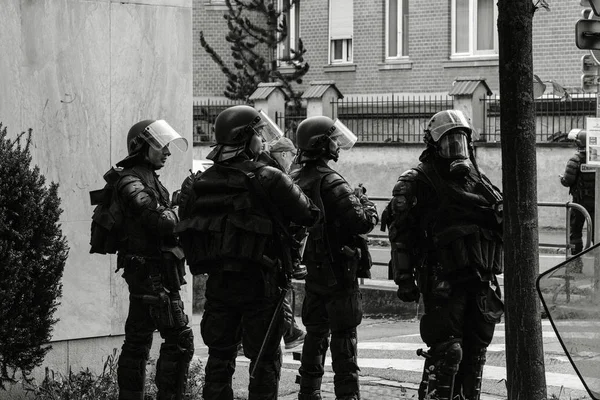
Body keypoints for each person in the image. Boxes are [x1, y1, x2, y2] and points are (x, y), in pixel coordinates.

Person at [175, 105, 319, 400]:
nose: (262, 141)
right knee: (264, 360)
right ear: (246, 138)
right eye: (257, 134)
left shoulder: (199, 182)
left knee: (219, 358)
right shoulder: (268, 177)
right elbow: (309, 214)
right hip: (261, 284)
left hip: (218, 284)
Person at [382, 109, 504, 400]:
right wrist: (404, 279)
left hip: (480, 277)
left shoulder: (479, 182)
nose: (456, 148)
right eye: (449, 142)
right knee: (448, 350)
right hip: (442, 279)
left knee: (476, 349)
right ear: (433, 145)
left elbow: (501, 219)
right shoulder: (418, 181)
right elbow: (400, 233)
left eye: (460, 140)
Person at [291, 116, 379, 400]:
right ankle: (348, 395)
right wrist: (365, 201)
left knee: (315, 335)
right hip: (340, 272)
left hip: (314, 273)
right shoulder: (330, 179)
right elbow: (362, 222)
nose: (337, 144)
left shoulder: (295, 178)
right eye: (332, 139)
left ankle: (309, 392)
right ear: (320, 144)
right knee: (344, 340)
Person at [113, 119, 193, 400]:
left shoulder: (147, 177)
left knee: (138, 341)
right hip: (150, 276)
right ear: (141, 147)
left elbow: (162, 213)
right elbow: (161, 221)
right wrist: (183, 207)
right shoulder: (130, 181)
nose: (167, 152)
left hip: (154, 273)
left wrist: (179, 200)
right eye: (161, 145)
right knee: (179, 340)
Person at [257, 136, 306, 350]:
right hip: (269, 245)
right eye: (292, 156)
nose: (293, 161)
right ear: (285, 154)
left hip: (262, 244)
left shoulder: (265, 169)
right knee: (276, 289)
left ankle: (290, 332)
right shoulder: (275, 175)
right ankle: (290, 333)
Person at [560, 129, 595, 261]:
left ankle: (575, 262)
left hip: (579, 202)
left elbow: (567, 181)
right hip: (596, 202)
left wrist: (562, 179)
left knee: (575, 231)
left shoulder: (575, 160)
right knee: (596, 232)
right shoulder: (596, 160)